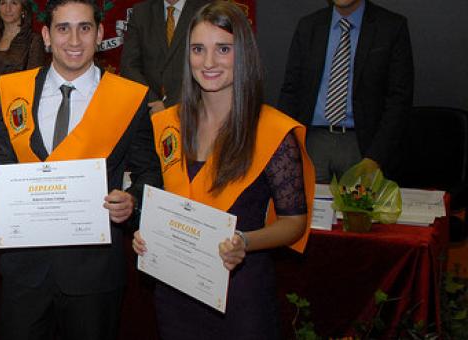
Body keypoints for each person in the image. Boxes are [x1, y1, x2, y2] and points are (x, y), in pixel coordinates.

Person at [0, 1, 160, 339]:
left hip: (94, 274)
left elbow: (150, 175)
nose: (74, 39)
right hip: (24, 269)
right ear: (46, 35)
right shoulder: (14, 89)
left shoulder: (130, 98)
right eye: (63, 28)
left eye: (85, 28)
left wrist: (132, 202)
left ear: (100, 34)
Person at [132, 2, 315, 338]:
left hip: (240, 292)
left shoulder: (271, 131)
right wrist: (146, 235)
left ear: (243, 53)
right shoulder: (167, 124)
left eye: (223, 49)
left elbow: (294, 223)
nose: (209, 62)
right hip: (175, 292)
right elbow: (160, 199)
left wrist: (245, 240)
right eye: (198, 49)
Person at [278, 0, 413, 183]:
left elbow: (399, 100)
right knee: (309, 209)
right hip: (312, 142)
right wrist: (288, 145)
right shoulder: (309, 26)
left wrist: (376, 156)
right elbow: (291, 91)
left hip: (363, 145)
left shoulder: (391, 27)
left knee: (358, 211)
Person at [120, 0, 210, 113]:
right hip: (148, 111)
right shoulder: (141, 12)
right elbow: (129, 66)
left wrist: (170, 105)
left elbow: (209, 66)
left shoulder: (208, 9)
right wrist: (152, 102)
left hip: (193, 110)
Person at [0, 0, 45, 113]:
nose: (8, 9)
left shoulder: (34, 40)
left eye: (14, 3)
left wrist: (13, 110)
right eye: (3, 3)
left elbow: (34, 82)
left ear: (23, 9)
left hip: (20, 111)